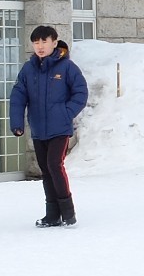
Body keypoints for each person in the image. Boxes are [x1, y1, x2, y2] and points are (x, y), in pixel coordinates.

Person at [9, 24, 89, 228]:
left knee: (55, 165)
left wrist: (66, 113)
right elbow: (18, 96)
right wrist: (17, 123)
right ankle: (52, 215)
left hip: (59, 128)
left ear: (54, 42)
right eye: (36, 42)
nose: (40, 46)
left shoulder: (67, 67)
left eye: (44, 41)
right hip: (38, 128)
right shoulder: (28, 69)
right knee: (45, 169)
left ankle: (68, 212)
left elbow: (80, 92)